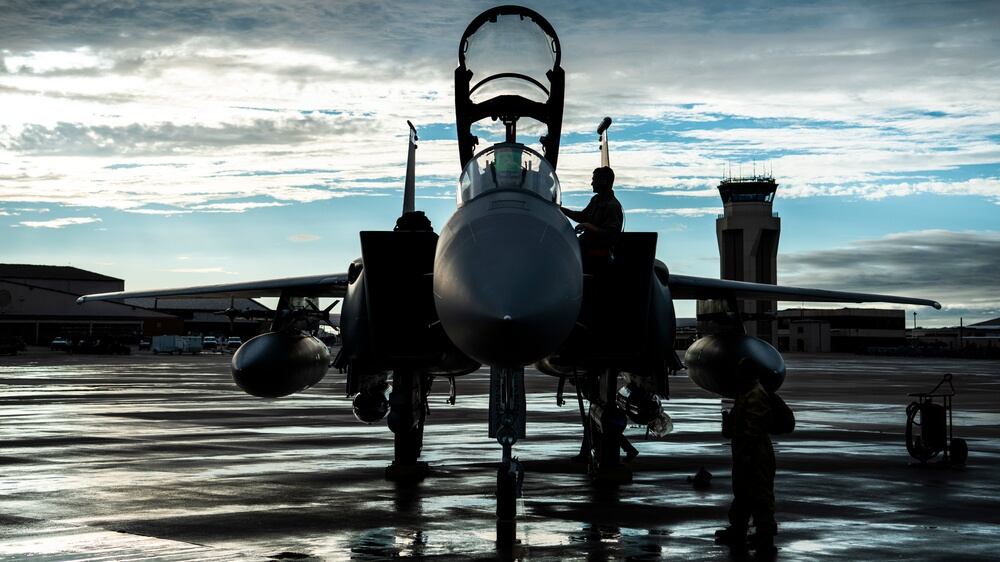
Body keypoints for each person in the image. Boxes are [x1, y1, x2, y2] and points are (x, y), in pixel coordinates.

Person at [716, 379, 777, 554]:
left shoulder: (755, 394)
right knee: (742, 492)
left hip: (755, 454)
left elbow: (754, 427)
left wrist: (748, 453)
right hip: (745, 452)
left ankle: (765, 534)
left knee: (760, 494)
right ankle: (739, 529)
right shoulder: (744, 394)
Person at [559, 166, 623, 271]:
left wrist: (588, 226)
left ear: (603, 181)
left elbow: (612, 236)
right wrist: (561, 209)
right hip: (586, 250)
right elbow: (581, 216)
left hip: (598, 258)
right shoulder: (596, 200)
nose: (592, 183)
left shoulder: (612, 206)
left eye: (594, 180)